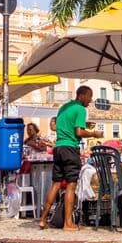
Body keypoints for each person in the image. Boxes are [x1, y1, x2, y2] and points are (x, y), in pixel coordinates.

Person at [39, 86, 102, 231]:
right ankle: (68, 223)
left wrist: (85, 125)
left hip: (58, 147)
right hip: (70, 148)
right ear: (82, 95)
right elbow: (78, 132)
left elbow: (65, 126)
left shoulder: (64, 107)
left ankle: (43, 219)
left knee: (55, 184)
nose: (90, 100)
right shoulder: (80, 109)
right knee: (70, 185)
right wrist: (94, 134)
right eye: (89, 96)